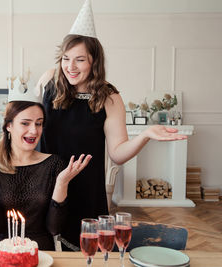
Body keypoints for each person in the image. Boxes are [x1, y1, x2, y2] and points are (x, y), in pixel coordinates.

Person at [36, 0, 187, 250]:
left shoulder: (109, 97)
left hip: (86, 188)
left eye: (80, 60)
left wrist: (146, 135)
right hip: (47, 184)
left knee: (85, 252)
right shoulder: (49, 83)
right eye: (65, 58)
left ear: (94, 61)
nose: (70, 67)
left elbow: (117, 154)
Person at [0, 95, 92, 250]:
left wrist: (62, 183)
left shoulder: (54, 164)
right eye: (25, 123)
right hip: (1, 252)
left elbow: (55, 228)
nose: (34, 130)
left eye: (39, 124)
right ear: (9, 126)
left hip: (41, 252)